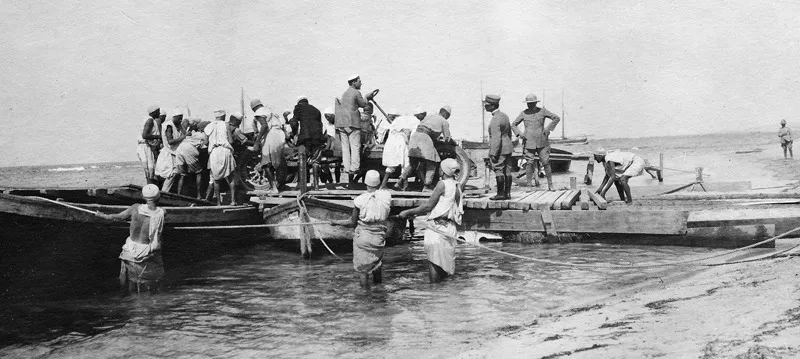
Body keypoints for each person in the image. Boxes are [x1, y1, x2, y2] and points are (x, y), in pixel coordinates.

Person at [398, 158, 464, 283]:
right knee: (447, 269)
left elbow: (428, 206)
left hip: (437, 229)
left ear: (443, 171)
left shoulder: (442, 184)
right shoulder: (457, 185)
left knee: (434, 265)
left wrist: (408, 212)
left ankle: (434, 296)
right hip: (450, 229)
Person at [95, 184, 165, 294]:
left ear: (143, 196)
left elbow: (116, 217)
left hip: (129, 251)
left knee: (127, 289)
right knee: (158, 280)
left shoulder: (135, 208)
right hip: (145, 251)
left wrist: (102, 215)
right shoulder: (161, 213)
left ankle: (124, 294)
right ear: (158, 198)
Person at [330, 170, 392, 287]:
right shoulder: (386, 196)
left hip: (363, 236)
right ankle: (379, 291)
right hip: (378, 236)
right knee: (377, 263)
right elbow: (382, 189)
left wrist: (335, 222)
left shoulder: (360, 200)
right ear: (378, 183)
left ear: (365, 182)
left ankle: (364, 295)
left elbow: (352, 222)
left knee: (363, 269)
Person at [336, 74, 379, 188]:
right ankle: (354, 168)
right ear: (354, 82)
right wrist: (367, 97)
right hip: (352, 123)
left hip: (342, 124)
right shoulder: (356, 92)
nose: (361, 83)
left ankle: (347, 167)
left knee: (346, 148)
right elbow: (364, 104)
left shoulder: (345, 93)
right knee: (355, 146)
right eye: (359, 81)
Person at [511, 93, 561, 190]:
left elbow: (556, 118)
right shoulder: (523, 113)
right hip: (528, 142)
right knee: (529, 163)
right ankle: (529, 186)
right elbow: (513, 124)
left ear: (535, 103)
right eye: (528, 103)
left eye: (532, 103)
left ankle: (550, 185)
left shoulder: (542, 111)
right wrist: (520, 134)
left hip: (542, 142)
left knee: (546, 162)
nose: (530, 105)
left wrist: (548, 129)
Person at [400, 106, 453, 191]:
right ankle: (427, 186)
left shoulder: (430, 116)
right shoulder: (444, 121)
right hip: (424, 138)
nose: (447, 118)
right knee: (432, 163)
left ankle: (399, 181)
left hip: (415, 137)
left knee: (413, 164)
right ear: (445, 114)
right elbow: (447, 138)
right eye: (448, 116)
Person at [204, 110, 238, 205]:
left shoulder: (209, 126)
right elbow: (230, 141)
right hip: (225, 150)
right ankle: (233, 201)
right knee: (230, 177)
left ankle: (219, 202)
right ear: (224, 116)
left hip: (214, 152)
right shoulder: (226, 125)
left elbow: (206, 143)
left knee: (216, 179)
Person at [380, 109, 419, 190]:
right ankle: (404, 186)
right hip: (402, 143)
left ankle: (384, 185)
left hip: (392, 144)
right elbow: (411, 135)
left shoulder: (396, 122)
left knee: (391, 165)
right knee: (405, 164)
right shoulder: (414, 122)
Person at [484, 94, 514, 200]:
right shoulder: (504, 116)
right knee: (508, 170)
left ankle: (500, 194)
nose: (485, 106)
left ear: (492, 106)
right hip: (508, 147)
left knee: (498, 170)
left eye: (486, 105)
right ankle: (508, 193)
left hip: (500, 149)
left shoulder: (495, 119)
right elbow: (509, 133)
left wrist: (493, 153)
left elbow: (496, 138)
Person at [173, 109, 205, 198]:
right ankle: (199, 195)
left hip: (180, 149)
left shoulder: (187, 132)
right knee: (199, 172)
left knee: (182, 175)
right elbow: (203, 146)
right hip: (189, 149)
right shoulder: (200, 134)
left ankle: (178, 195)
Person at [254, 106, 287, 192]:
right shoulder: (270, 111)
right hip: (279, 135)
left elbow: (264, 126)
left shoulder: (259, 112)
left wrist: (257, 141)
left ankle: (274, 187)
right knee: (278, 161)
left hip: (271, 135)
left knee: (266, 163)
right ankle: (280, 185)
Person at [289, 96, 326, 165]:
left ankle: (304, 175)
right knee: (316, 161)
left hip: (305, 138)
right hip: (317, 138)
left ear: (299, 102)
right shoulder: (316, 110)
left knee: (302, 160)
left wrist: (293, 133)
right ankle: (316, 176)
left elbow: (294, 123)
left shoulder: (299, 107)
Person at [156, 108, 185, 193]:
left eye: (181, 118)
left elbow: (183, 132)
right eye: (179, 118)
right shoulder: (169, 126)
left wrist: (181, 127)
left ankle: (164, 191)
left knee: (172, 174)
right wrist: (183, 137)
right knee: (171, 174)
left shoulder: (177, 125)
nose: (181, 120)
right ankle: (164, 192)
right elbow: (170, 141)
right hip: (169, 153)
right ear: (174, 117)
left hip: (174, 153)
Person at [137, 105, 162, 184]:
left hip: (146, 146)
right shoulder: (150, 121)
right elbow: (145, 135)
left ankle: (150, 187)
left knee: (150, 170)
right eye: (158, 111)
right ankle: (150, 189)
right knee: (149, 170)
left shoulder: (149, 120)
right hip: (145, 146)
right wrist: (158, 136)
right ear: (153, 112)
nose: (159, 113)